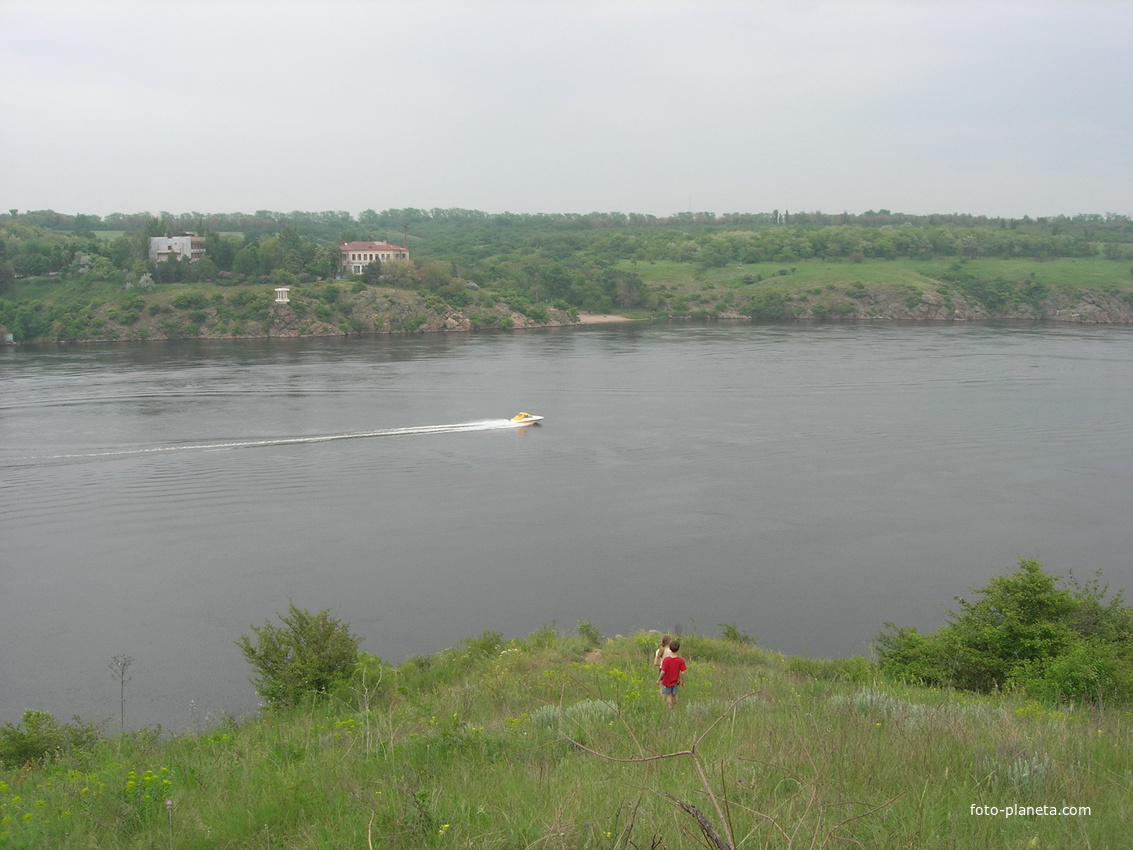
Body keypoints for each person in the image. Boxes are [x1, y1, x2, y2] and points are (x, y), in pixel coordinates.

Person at [657, 639, 687, 708]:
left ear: (670, 648)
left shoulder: (666, 660)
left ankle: (669, 708)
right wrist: (683, 682)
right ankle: (675, 708)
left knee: (669, 695)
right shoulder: (681, 660)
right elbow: (683, 673)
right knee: (675, 695)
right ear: (678, 649)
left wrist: (658, 680)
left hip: (667, 681)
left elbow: (663, 672)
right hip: (676, 681)